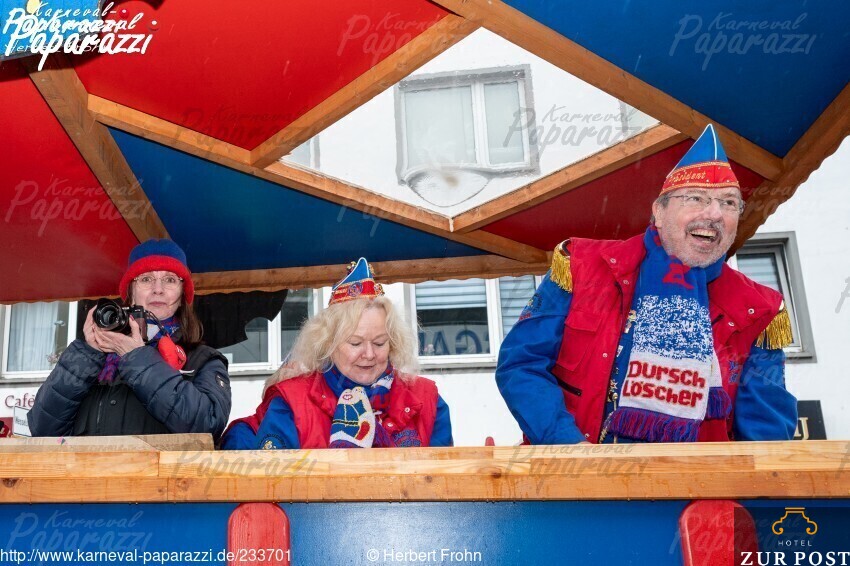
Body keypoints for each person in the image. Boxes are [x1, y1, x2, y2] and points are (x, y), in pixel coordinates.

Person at [496, 124, 797, 444]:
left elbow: (766, 434)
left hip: (693, 476)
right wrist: (569, 448)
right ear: (659, 212)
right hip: (574, 469)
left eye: (729, 203)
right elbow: (522, 365)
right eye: (695, 198)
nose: (714, 214)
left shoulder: (760, 309)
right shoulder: (581, 265)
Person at [222, 258, 452, 449]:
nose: (369, 354)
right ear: (329, 344)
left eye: (380, 343)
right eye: (355, 343)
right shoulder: (290, 402)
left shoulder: (428, 399)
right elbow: (274, 483)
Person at [28, 239, 232, 438]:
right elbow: (42, 429)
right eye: (146, 279)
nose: (158, 289)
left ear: (182, 297)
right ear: (131, 293)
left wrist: (136, 358)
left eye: (170, 280)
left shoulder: (203, 360)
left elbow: (209, 425)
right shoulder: (92, 356)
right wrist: (88, 354)